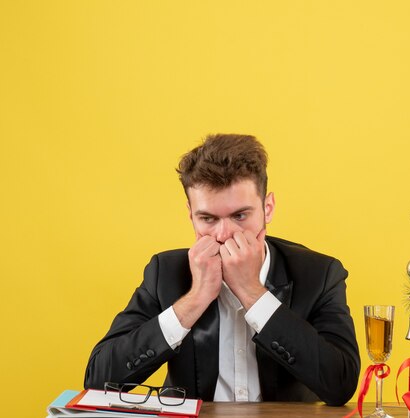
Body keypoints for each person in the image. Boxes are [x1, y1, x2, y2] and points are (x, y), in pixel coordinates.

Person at [84, 134, 360, 406]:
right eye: (208, 218)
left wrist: (252, 292)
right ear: (190, 214)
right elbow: (98, 380)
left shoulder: (320, 274)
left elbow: (340, 385)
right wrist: (195, 299)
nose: (224, 233)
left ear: (268, 208)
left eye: (240, 216)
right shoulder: (165, 273)